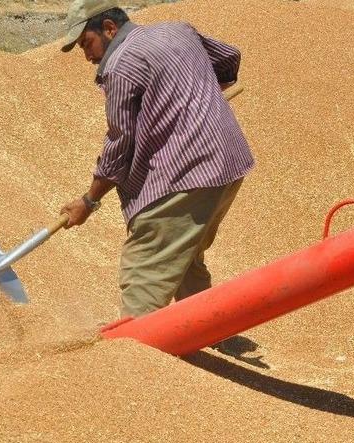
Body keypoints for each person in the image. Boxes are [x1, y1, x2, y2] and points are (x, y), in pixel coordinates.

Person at [59, 0, 256, 318]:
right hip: (229, 162)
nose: (88, 56)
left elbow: (120, 143)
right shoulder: (177, 31)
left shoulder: (119, 66)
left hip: (186, 173)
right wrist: (198, 93)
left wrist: (89, 200)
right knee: (184, 258)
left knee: (144, 270)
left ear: (109, 28)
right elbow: (228, 56)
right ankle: (208, 333)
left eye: (86, 43)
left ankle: (136, 346)